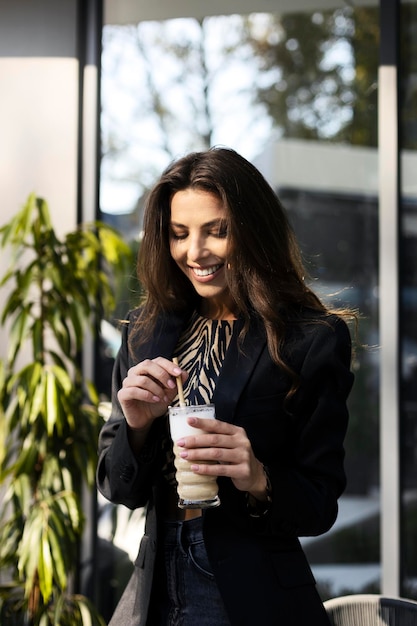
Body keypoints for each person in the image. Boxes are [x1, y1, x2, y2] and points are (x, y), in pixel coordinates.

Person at [96, 147, 355, 626]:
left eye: (218, 230)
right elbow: (118, 486)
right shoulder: (143, 332)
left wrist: (258, 476)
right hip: (153, 581)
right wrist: (133, 428)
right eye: (179, 234)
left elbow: (319, 504)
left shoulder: (310, 339)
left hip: (248, 591)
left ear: (253, 229)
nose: (195, 252)